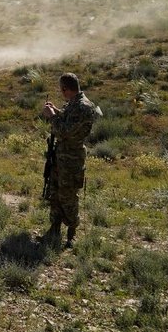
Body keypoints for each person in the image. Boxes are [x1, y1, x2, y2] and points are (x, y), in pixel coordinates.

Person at [42, 72, 100, 248]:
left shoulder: (83, 106)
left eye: (61, 89)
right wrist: (57, 111)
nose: (61, 92)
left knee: (68, 195)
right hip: (60, 156)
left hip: (71, 159)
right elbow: (68, 120)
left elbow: (65, 131)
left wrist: (51, 116)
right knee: (55, 192)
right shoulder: (74, 104)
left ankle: (71, 232)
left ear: (66, 89)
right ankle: (54, 228)